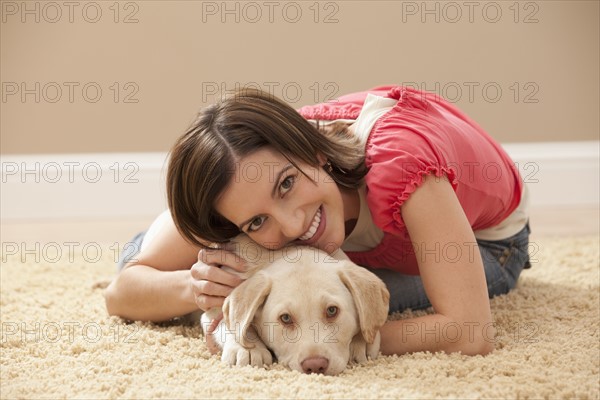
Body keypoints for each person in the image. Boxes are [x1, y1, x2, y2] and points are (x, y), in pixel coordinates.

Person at [104, 85, 531, 356]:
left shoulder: (404, 167)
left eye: (287, 184)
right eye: (255, 222)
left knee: (335, 303)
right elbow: (122, 291)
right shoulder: (241, 180)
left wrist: (324, 340)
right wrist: (198, 287)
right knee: (254, 275)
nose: (292, 228)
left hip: (486, 243)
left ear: (315, 150)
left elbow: (469, 333)